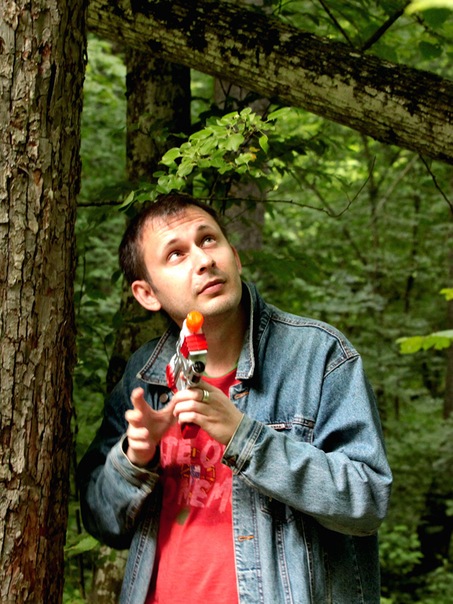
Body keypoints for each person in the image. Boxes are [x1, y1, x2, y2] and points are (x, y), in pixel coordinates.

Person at [78, 192, 392, 604]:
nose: (203, 260)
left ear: (236, 257)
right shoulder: (145, 374)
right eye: (176, 254)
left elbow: (368, 501)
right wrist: (135, 460)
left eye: (208, 239)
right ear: (147, 293)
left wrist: (244, 437)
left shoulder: (318, 356)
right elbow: (101, 521)